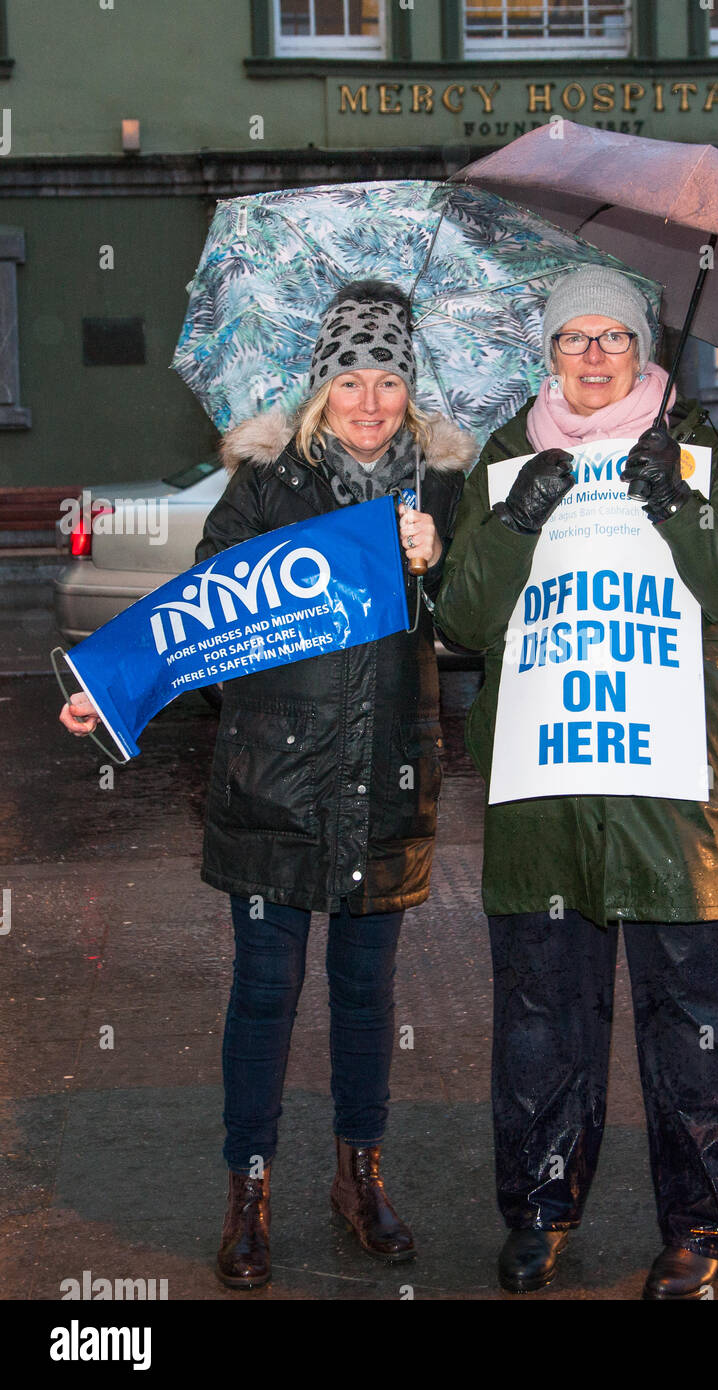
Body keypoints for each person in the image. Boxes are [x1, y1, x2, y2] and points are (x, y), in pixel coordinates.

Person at [60, 279, 474, 1290]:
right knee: (262, 998)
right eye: (349, 379)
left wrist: (440, 561)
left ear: (409, 392)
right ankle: (248, 1193)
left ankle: (358, 1178)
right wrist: (120, 690)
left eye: (387, 380)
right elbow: (204, 616)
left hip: (384, 783)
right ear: (319, 388)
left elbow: (474, 627)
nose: (368, 401)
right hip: (272, 783)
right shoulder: (261, 483)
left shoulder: (445, 492)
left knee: (367, 997)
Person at [435, 266, 718, 1300]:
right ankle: (541, 1210)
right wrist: (510, 525)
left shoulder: (700, 450)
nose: (593, 356)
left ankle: (701, 1227)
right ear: (547, 352)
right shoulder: (506, 457)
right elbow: (457, 616)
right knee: (543, 1014)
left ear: (642, 349)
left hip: (667, 784)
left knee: (694, 1014)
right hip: (542, 788)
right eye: (573, 338)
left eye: (614, 338)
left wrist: (681, 509)